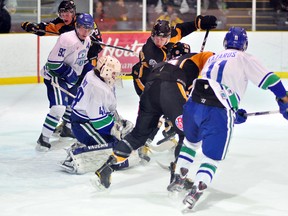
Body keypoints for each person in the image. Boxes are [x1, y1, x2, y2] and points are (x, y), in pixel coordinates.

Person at [166, 26, 288, 210]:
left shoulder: (213, 58)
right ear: (244, 44)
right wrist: (284, 99)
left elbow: (214, 86)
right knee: (212, 157)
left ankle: (179, 177)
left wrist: (232, 112)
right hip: (219, 108)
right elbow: (271, 80)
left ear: (225, 43)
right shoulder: (244, 57)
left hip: (193, 103)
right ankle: (197, 188)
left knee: (191, 143)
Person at [91, 43, 215, 189]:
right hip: (170, 86)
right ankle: (178, 177)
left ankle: (107, 167)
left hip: (150, 89)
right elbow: (214, 60)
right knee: (186, 133)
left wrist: (169, 113)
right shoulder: (196, 58)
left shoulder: (165, 63)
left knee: (138, 135)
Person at [131, 15, 217, 161]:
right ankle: (143, 142)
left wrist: (200, 23)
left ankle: (169, 128)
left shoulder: (172, 38)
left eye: (163, 38)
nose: (159, 41)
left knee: (172, 108)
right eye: (157, 37)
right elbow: (164, 83)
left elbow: (182, 29)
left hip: (164, 80)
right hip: (146, 82)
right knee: (155, 111)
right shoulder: (152, 52)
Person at [21, 0, 103, 138]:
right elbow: (46, 28)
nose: (64, 16)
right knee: (70, 93)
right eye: (62, 13)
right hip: (72, 63)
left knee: (81, 92)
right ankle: (67, 124)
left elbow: (98, 44)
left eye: (67, 13)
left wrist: (85, 46)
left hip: (86, 61)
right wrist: (34, 27)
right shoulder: (60, 24)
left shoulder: (85, 21)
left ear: (73, 13)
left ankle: (73, 122)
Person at [59, 56, 140, 174]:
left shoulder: (96, 76)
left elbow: (107, 109)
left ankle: (87, 145)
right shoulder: (97, 87)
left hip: (91, 122)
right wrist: (116, 130)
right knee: (115, 149)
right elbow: (98, 121)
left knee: (119, 144)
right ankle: (77, 153)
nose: (115, 76)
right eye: (113, 73)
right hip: (84, 125)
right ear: (105, 71)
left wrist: (119, 121)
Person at [36, 13, 95, 152]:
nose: (86, 32)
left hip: (70, 77)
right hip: (55, 76)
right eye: (83, 28)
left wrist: (94, 72)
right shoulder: (66, 39)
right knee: (58, 108)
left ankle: (67, 129)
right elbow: (53, 63)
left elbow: (81, 61)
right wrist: (70, 74)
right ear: (77, 26)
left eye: (89, 29)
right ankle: (43, 139)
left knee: (74, 103)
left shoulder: (87, 40)